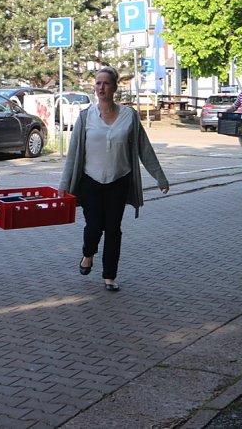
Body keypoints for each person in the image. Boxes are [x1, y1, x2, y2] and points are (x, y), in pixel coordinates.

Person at [59, 66, 169, 292]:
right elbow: (73, 153)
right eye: (98, 83)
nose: (101, 87)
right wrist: (63, 184)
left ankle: (109, 276)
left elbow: (144, 149)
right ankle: (88, 254)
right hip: (90, 180)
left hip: (119, 180)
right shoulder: (85, 116)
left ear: (115, 87)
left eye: (106, 83)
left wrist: (159, 176)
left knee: (113, 229)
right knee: (94, 226)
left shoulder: (129, 116)